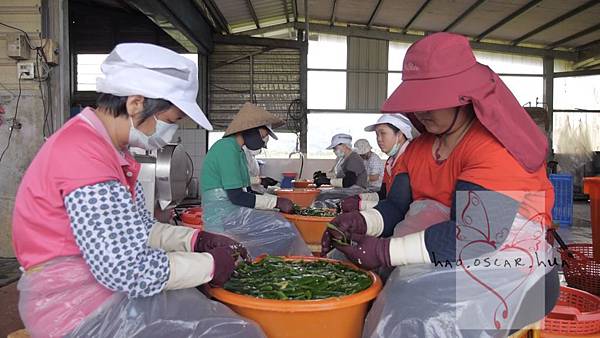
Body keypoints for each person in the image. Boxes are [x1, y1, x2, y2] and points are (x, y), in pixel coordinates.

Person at [12, 43, 264, 337]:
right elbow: (127, 270)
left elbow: (138, 229)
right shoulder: (83, 154)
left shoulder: (114, 152)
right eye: (170, 121)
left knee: (213, 316)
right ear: (136, 103)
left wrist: (196, 240)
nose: (172, 131)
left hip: (99, 293)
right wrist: (210, 265)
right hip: (73, 311)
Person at [322, 33, 559, 337]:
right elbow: (397, 205)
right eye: (416, 102)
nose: (420, 111)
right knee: (345, 272)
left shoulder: (496, 149)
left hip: (513, 274)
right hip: (448, 256)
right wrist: (362, 222)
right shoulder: (420, 149)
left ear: (464, 98)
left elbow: (474, 235)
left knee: (415, 319)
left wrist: (383, 251)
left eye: (431, 101)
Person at [201, 102, 310, 257]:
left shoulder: (237, 151)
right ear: (250, 129)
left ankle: (264, 262)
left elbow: (248, 191)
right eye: (263, 136)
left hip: (232, 213)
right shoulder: (226, 149)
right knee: (284, 229)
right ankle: (271, 264)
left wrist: (274, 202)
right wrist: (276, 203)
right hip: (223, 219)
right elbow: (237, 196)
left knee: (280, 224)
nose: (263, 142)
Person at [341, 114, 417, 212]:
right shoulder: (391, 162)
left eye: (383, 133)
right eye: (377, 134)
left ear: (400, 135)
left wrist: (361, 205)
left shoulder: (410, 159)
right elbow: (384, 193)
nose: (379, 139)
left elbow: (400, 204)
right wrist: (361, 197)